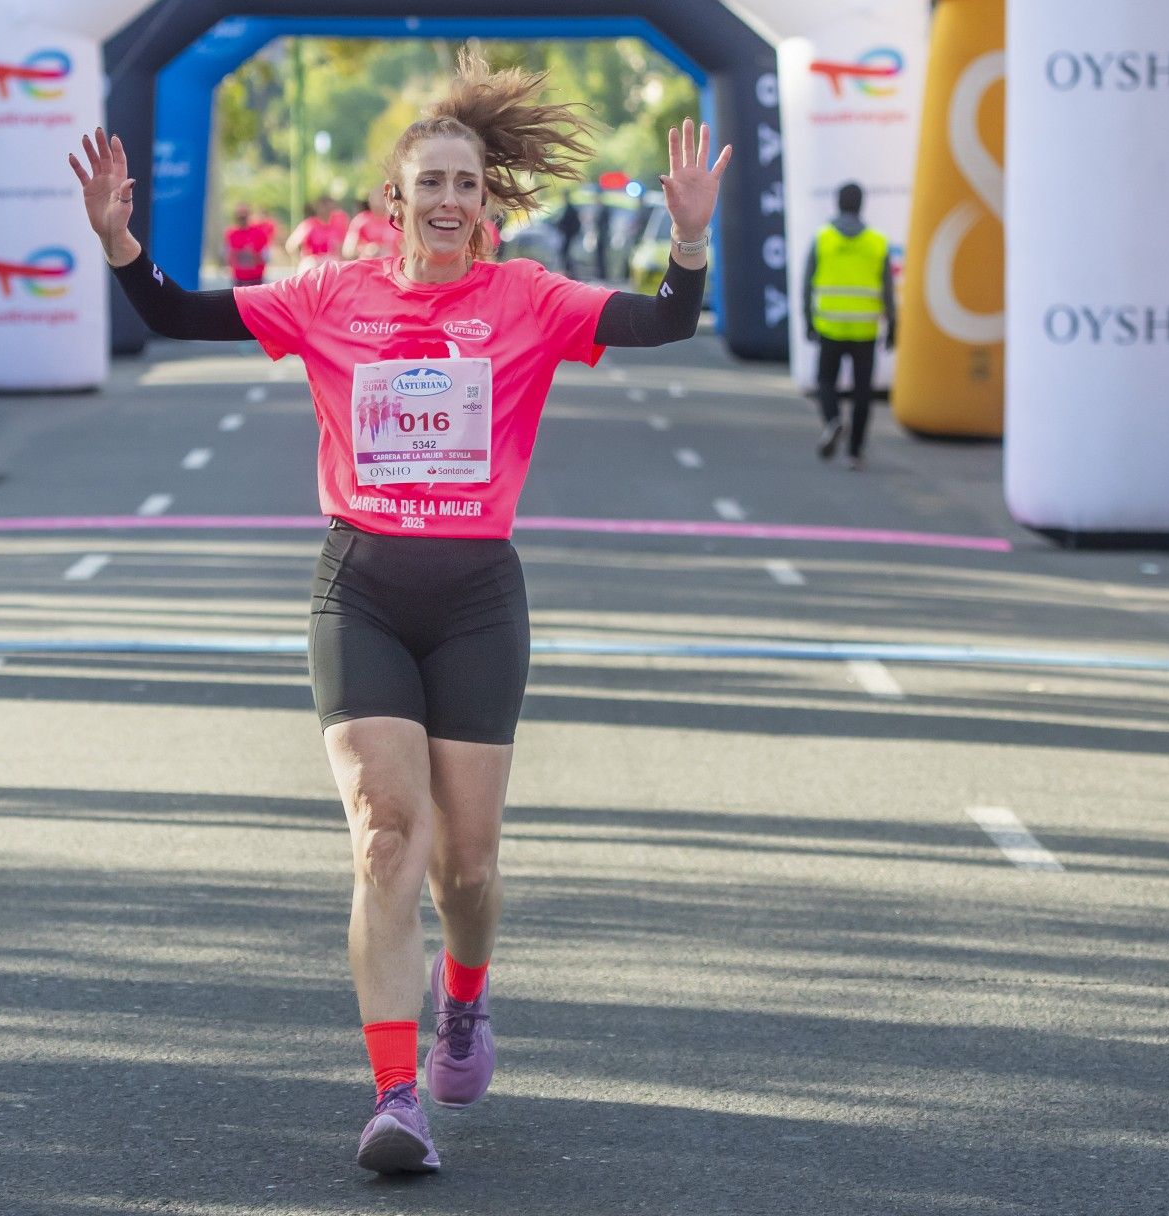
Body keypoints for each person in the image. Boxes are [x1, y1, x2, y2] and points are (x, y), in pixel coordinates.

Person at [68, 51, 729, 1177]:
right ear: (396, 199)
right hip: (362, 585)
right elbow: (177, 312)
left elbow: (666, 321)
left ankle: (461, 1001)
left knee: (464, 867)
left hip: (476, 599)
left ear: (485, 202)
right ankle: (392, 1096)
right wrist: (120, 241)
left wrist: (690, 239)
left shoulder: (528, 299)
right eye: (430, 183)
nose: (448, 200)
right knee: (386, 837)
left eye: (466, 184)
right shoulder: (330, 295)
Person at [804, 181, 896, 470]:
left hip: (830, 327)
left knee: (825, 380)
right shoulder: (877, 242)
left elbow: (808, 283)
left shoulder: (823, 238)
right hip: (864, 330)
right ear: (861, 205)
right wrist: (893, 325)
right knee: (862, 392)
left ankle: (833, 421)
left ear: (838, 203)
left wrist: (808, 319)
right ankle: (855, 453)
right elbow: (888, 289)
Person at [341, 186, 403, 261]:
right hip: (368, 265)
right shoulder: (360, 220)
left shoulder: (397, 221)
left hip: (392, 265)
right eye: (376, 198)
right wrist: (366, 249)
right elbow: (347, 251)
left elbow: (406, 249)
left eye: (382, 198)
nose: (379, 202)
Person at [286, 194, 344, 273]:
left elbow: (339, 248)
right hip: (313, 263)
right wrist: (302, 262)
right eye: (326, 208)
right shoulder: (309, 224)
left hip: (330, 263)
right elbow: (291, 246)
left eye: (331, 208)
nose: (329, 211)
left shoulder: (336, 226)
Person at [223, 203, 275, 286]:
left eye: (244, 216)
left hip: (256, 279)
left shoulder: (259, 233)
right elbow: (227, 257)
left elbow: (267, 257)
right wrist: (236, 255)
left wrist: (253, 255)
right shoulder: (231, 234)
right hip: (238, 279)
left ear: (249, 216)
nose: (241, 219)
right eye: (239, 217)